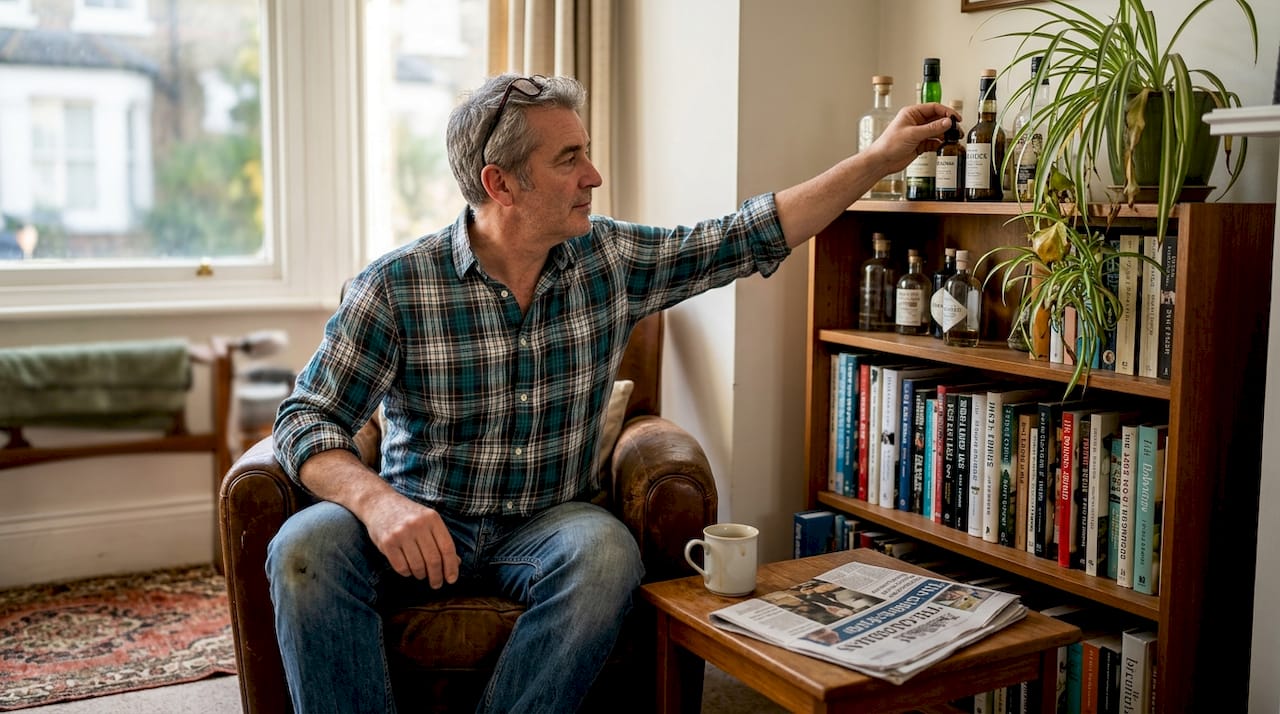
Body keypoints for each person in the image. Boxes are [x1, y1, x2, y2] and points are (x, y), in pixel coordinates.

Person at [268, 72, 956, 713]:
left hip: (547, 525)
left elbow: (748, 234)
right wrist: (377, 503)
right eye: (569, 159)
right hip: (420, 525)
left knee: (606, 553)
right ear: (500, 183)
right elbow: (306, 418)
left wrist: (878, 161)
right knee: (306, 546)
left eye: (586, 153)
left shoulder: (612, 260)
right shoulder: (395, 285)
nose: (593, 176)